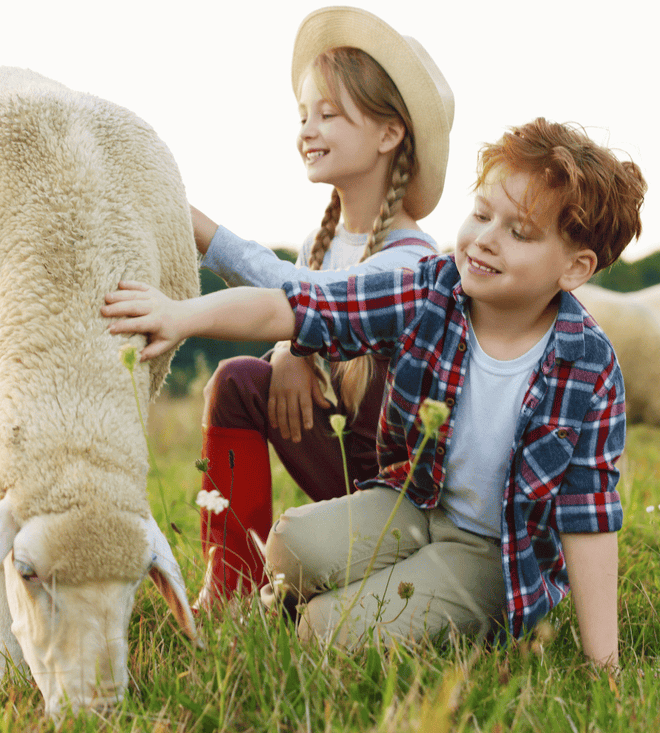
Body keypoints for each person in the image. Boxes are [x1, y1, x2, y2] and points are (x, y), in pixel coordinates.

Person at [102, 117, 647, 668]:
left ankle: (340, 615)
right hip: (414, 501)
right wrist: (181, 314)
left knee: (328, 630)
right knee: (289, 546)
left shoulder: (589, 366)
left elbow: (589, 516)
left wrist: (605, 664)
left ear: (575, 268)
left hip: (494, 552)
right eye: (482, 214)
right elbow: (295, 305)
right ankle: (288, 600)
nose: (485, 238)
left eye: (519, 233)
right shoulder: (430, 288)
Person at [188, 6, 455, 608]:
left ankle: (359, 562)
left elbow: (312, 301)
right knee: (238, 381)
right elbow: (302, 305)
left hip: (401, 489)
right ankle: (230, 578)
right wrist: (287, 349)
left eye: (328, 114)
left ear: (389, 134)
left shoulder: (413, 261)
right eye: (303, 114)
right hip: (339, 460)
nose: (307, 128)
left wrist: (201, 231)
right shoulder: (322, 244)